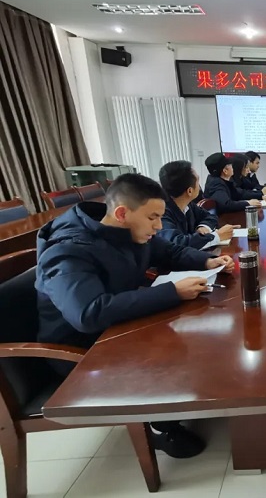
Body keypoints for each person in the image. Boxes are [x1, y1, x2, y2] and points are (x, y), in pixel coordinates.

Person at [35, 173, 235, 458]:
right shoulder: (68, 250)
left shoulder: (126, 229)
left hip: (117, 327)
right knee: (186, 341)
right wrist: (172, 292)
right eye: (153, 218)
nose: (158, 226)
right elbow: (88, 313)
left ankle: (187, 401)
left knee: (205, 327)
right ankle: (162, 426)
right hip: (81, 350)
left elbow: (169, 251)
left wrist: (207, 260)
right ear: (121, 213)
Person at [158, 160, 239, 249]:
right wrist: (216, 236)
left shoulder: (188, 204)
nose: (199, 186)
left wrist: (203, 226)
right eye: (198, 181)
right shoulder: (161, 213)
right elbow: (178, 243)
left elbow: (210, 216)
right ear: (189, 191)